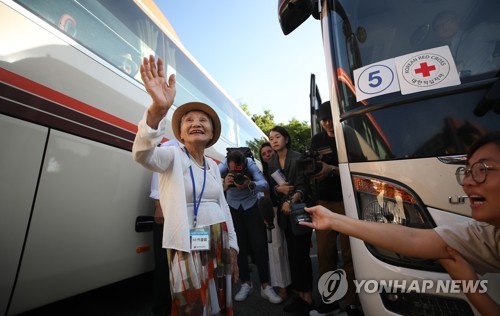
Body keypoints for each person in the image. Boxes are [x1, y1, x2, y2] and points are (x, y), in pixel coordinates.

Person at [301, 131, 500, 316]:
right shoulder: (488, 235)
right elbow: (412, 239)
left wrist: (471, 289)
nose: (467, 182)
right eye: (467, 171)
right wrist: (333, 220)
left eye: (482, 169)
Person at [132, 55, 239, 315]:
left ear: (212, 134)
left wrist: (233, 246)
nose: (196, 124)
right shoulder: (171, 156)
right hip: (186, 242)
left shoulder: (213, 165)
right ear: (179, 134)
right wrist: (157, 110)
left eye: (203, 121)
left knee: (216, 299)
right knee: (191, 303)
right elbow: (142, 154)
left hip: (218, 237)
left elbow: (223, 207)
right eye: (188, 120)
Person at [308, 101, 359, 315]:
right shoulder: (317, 140)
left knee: (350, 254)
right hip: (324, 203)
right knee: (325, 254)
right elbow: (311, 168)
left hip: (348, 201)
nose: (328, 123)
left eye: (331, 118)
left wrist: (332, 169)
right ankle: (329, 300)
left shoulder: (349, 134)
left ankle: (352, 303)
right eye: (324, 119)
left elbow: (358, 167)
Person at [219, 150, 283, 304]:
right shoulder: (222, 165)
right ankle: (245, 283)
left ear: (244, 164)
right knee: (239, 246)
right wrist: (224, 184)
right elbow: (208, 180)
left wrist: (250, 183)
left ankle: (265, 286)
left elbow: (265, 184)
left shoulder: (250, 163)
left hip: (251, 206)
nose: (236, 174)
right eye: (233, 171)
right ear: (228, 164)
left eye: (239, 171)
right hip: (233, 207)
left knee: (259, 245)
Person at [267, 126, 315, 314]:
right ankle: (300, 296)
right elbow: (272, 188)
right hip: (284, 216)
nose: (274, 141)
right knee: (293, 257)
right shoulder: (271, 162)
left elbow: (305, 186)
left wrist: (290, 200)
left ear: (286, 139)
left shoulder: (298, 158)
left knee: (302, 256)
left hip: (299, 212)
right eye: (271, 138)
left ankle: (309, 298)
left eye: (277, 137)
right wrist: (278, 191)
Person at [149, 139, 181, 316]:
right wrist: (159, 206)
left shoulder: (196, 150)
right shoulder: (170, 146)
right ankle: (161, 310)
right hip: (167, 212)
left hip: (186, 215)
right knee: (163, 264)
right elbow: (157, 178)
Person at [259, 142, 292, 301]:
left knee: (290, 248)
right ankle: (282, 286)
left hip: (288, 210)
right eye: (264, 154)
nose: (267, 155)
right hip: (272, 213)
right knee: (276, 249)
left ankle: (294, 284)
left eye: (269, 152)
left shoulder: (284, 168)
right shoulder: (262, 175)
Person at [432, 10, 500, 76]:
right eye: (439, 25)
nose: (444, 26)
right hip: (464, 87)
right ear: (437, 33)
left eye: (448, 20)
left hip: (487, 83)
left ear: (458, 20)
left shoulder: (479, 31)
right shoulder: (441, 56)